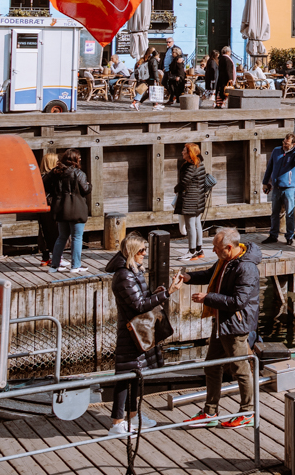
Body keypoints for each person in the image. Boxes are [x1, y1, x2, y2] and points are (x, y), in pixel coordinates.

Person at [183, 227, 260, 428]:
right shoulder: (226, 261)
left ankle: (248, 411)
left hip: (236, 323)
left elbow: (238, 301)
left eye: (216, 248)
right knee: (211, 365)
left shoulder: (246, 268)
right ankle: (210, 411)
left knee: (240, 368)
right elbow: (211, 275)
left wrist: (207, 298)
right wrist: (190, 277)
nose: (214, 252)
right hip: (222, 321)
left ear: (228, 247)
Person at [108, 233, 182, 436]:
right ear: (132, 251)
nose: (144, 254)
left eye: (145, 250)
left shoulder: (134, 271)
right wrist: (166, 293)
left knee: (135, 375)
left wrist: (157, 292)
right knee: (124, 377)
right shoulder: (124, 275)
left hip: (138, 330)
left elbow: (141, 298)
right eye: (141, 251)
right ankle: (117, 423)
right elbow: (138, 305)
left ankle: (133, 416)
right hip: (130, 333)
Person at [46, 150, 90, 274]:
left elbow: (44, 183)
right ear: (74, 159)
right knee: (77, 237)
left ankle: (54, 266)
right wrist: (89, 185)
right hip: (76, 209)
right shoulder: (78, 173)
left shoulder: (56, 172)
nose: (80, 159)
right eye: (79, 158)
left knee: (61, 237)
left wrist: (55, 192)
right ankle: (75, 266)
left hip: (61, 209)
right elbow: (85, 189)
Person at [262, 133, 295, 244]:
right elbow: (270, 167)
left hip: (289, 188)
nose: (284, 145)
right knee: (274, 213)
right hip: (276, 187)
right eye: (284, 142)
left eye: (287, 143)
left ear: (293, 144)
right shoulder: (276, 151)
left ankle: (289, 236)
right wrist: (265, 182)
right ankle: (273, 235)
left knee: (290, 214)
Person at [176, 142, 211, 260]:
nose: (182, 152)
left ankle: (191, 251)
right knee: (197, 224)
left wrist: (176, 188)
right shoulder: (198, 164)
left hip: (190, 199)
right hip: (198, 198)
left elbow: (185, 182)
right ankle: (199, 250)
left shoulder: (191, 166)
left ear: (189, 153)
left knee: (190, 225)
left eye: (184, 150)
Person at [35, 150, 60, 267]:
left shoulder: (39, 176)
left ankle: (45, 258)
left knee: (43, 230)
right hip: (51, 204)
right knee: (55, 230)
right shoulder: (51, 177)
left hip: (41, 205)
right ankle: (56, 257)